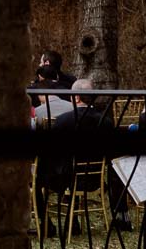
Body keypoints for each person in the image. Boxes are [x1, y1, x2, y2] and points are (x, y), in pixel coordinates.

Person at [36, 79, 128, 232]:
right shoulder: (105, 122)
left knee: (37, 178)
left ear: (76, 97)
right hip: (95, 179)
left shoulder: (63, 121)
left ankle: (46, 223)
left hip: (66, 178)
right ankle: (74, 221)